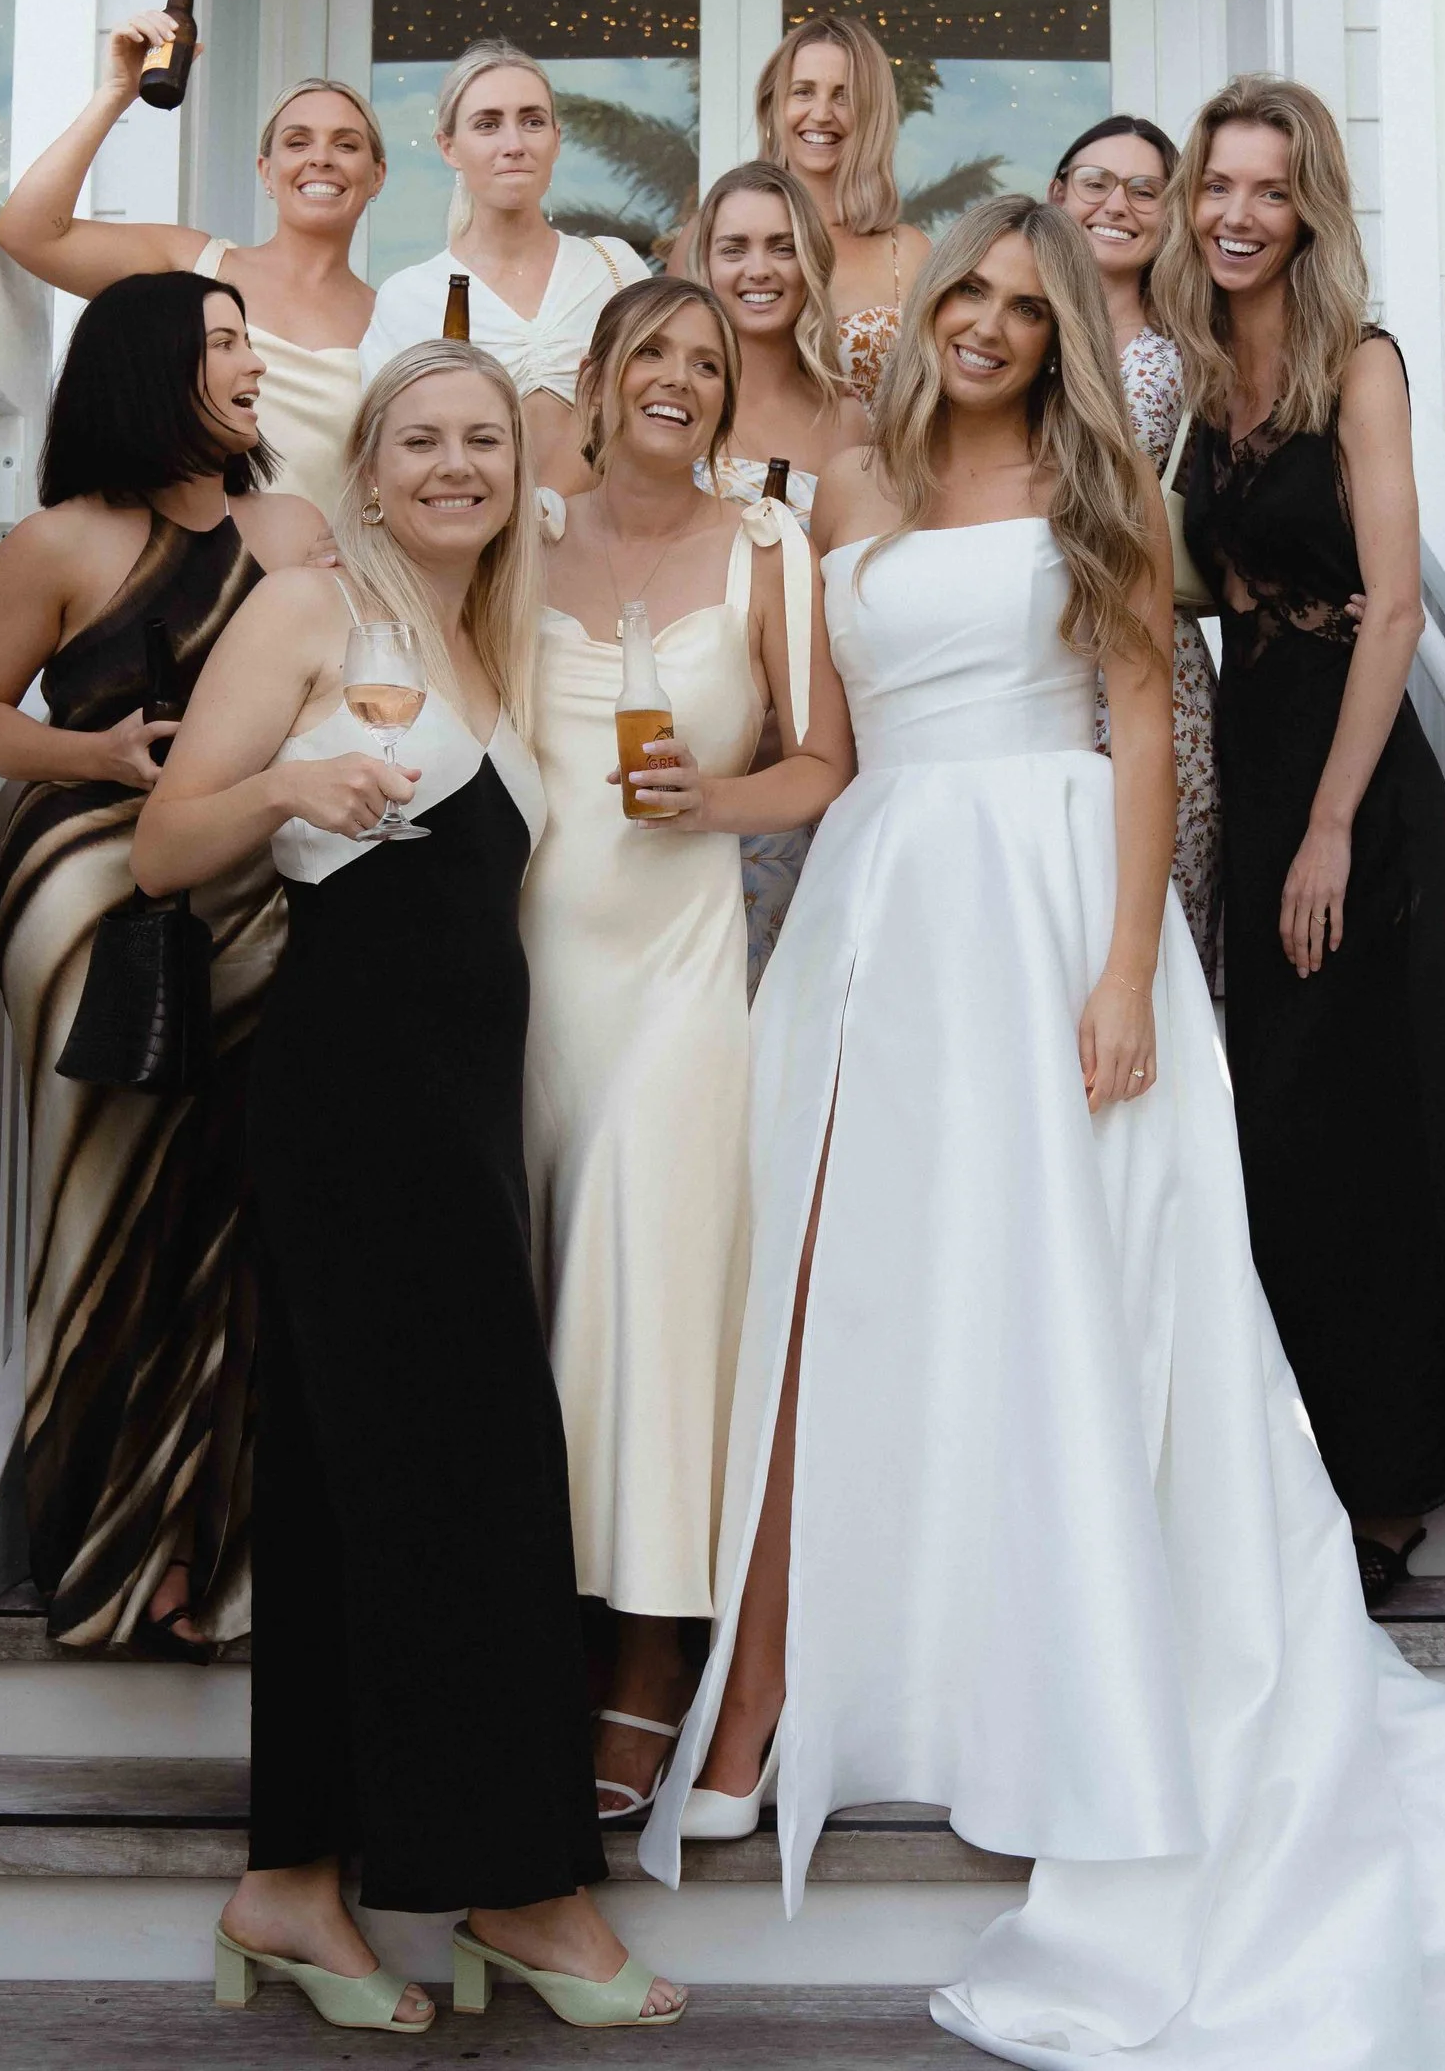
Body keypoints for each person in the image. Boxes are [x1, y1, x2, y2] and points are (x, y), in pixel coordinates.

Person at [638, 197, 1445, 2071]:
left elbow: (1146, 732)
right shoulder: (845, 496)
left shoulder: (1105, 500)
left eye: (1021, 304)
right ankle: (790, 1683)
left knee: (1073, 1288)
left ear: (1061, 332)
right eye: (965, 296)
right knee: (847, 1288)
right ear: (924, 314)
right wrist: (700, 798)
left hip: (1053, 895)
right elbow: (827, 755)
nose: (987, 325)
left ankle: (1058, 1674)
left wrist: (1131, 969)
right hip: (878, 904)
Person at [132, 340, 681, 2033]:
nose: (457, 466)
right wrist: (285, 785)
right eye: (422, 440)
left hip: (460, 1110)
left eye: (484, 442)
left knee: (336, 1491)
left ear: (519, 472)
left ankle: (291, 1886)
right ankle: (520, 1890)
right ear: (367, 470)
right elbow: (163, 848)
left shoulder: (490, 638)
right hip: (351, 1101)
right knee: (477, 1479)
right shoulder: (313, 615)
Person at [1163, 73, 1445, 1603]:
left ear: (1309, 212)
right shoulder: (1193, 370)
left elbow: (1397, 605)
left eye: (1269, 191)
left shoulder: (1358, 362)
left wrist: (1332, 826)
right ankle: (1302, 1472)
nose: (1237, 214)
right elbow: (1215, 579)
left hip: (1347, 779)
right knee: (1277, 1134)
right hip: (1249, 746)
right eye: (1219, 185)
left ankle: (1393, 1497)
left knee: (1372, 1121)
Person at [0, 272, 332, 1654]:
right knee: (108, 1213)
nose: (252, 363)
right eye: (224, 343)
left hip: (256, 889)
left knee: (238, 1210)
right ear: (152, 366)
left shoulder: (294, 531)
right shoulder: (53, 543)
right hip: (93, 899)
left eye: (248, 339)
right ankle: (110, 1553)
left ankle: (217, 1545)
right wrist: (97, 751)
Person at [522, 275, 843, 1828]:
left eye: (707, 364)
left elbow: (825, 760)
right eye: (651, 351)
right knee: (532, 1303)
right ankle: (530, 1635)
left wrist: (718, 802)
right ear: (596, 374)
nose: (679, 378)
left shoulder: (772, 548)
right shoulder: (516, 533)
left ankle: (653, 1656)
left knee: (647, 1292)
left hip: (681, 974)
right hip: (518, 973)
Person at [0, 19, 386, 518]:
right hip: (184, 560)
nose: (321, 159)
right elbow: (28, 233)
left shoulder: (394, 321)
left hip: (324, 564)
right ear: (266, 171)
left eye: (346, 144)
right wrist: (117, 93)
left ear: (377, 176)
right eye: (297, 142)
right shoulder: (193, 266)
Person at [689, 158, 868, 987]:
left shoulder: (852, 418)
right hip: (683, 751)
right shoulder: (669, 398)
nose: (758, 269)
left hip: (802, 771)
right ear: (704, 262)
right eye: (735, 248)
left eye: (781, 246)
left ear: (812, 262)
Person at [1049, 115, 1220, 982]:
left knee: (1154, 954)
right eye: (1096, 183)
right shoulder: (1007, 328)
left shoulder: (1193, 355)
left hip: (1150, 666)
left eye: (1145, 190)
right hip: (1021, 662)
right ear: (1058, 195)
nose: (1117, 205)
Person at [358, 40, 643, 495]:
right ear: (448, 147)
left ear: (557, 139)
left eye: (532, 121)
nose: (514, 145)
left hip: (614, 536)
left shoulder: (613, 269)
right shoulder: (410, 296)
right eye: (488, 124)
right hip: (467, 536)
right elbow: (382, 457)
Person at [749, 14, 930, 408]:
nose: (821, 113)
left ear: (872, 113)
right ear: (773, 104)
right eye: (803, 92)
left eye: (843, 96)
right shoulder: (713, 237)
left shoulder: (909, 253)